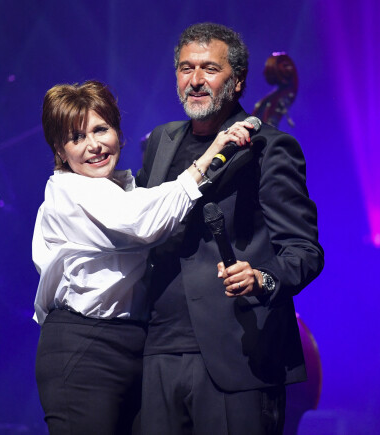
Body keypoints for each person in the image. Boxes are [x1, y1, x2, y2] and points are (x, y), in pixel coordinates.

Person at [32, 80, 256, 434]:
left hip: (133, 344)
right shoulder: (67, 192)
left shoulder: (123, 188)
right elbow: (141, 222)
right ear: (60, 150)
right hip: (83, 347)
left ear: (118, 132)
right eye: (77, 138)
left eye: (100, 129)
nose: (93, 145)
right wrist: (211, 153)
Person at [135, 23, 324, 434]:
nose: (195, 80)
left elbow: (304, 250)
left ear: (236, 82)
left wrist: (262, 277)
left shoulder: (270, 147)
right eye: (186, 68)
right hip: (157, 350)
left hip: (238, 352)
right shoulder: (161, 141)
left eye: (209, 69)